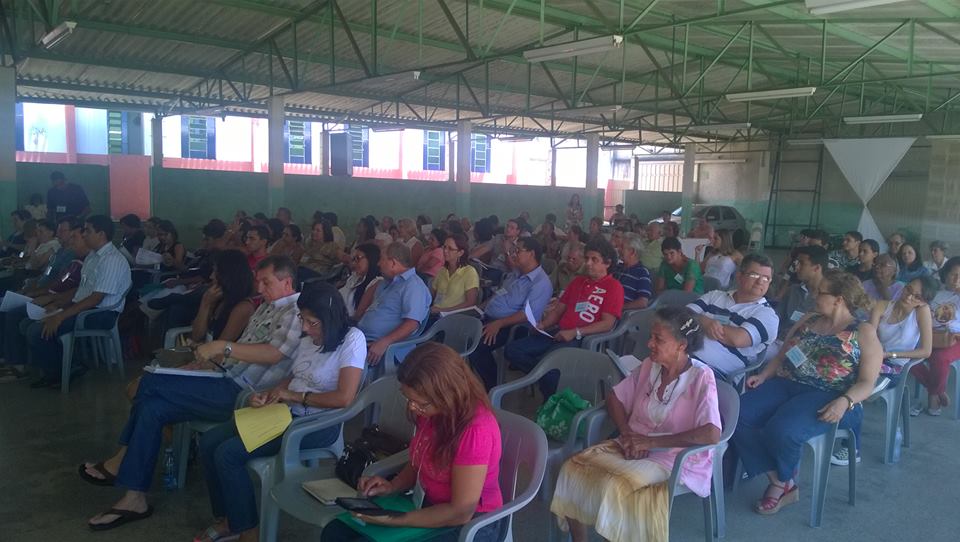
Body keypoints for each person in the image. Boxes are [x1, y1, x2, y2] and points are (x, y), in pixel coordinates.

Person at [80, 256, 303, 530]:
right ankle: (134, 497)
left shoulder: (295, 312)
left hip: (244, 393)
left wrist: (222, 347)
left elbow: (274, 353)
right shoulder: (267, 307)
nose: (259, 288)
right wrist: (210, 363)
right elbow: (245, 349)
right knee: (152, 408)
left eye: (266, 282)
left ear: (287, 282)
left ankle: (120, 461)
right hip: (225, 377)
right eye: (258, 281)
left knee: (149, 383)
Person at [197, 283, 365, 542]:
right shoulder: (309, 338)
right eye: (302, 319)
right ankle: (228, 517)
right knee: (209, 441)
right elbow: (296, 376)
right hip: (285, 413)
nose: (305, 328)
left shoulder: (353, 339)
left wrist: (295, 397)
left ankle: (248, 530)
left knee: (228, 454)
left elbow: (345, 398)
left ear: (330, 319)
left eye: (312, 322)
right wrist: (272, 393)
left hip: (316, 424)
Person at [550, 306, 720, 542]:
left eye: (658, 339)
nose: (650, 343)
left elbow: (711, 434)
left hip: (673, 457)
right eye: (651, 336)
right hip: (633, 442)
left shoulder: (702, 377)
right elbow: (615, 397)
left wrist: (650, 443)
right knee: (572, 468)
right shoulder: (651, 365)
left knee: (616, 485)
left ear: (681, 345)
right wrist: (628, 434)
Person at [319, 342, 503, 542]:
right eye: (408, 399)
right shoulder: (432, 412)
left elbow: (461, 512)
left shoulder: (475, 431)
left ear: (448, 394)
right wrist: (393, 485)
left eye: (420, 403)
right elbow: (419, 460)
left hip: (471, 523)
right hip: (427, 503)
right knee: (334, 532)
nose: (413, 408)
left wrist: (394, 519)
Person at [732, 270, 881, 515]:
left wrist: (845, 401)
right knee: (735, 415)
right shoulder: (810, 319)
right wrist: (765, 374)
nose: (814, 296)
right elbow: (783, 352)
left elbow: (867, 382)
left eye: (821, 292)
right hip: (786, 383)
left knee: (783, 430)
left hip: (830, 394)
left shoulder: (863, 332)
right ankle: (781, 480)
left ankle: (780, 483)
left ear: (838, 299)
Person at [503, 238, 624, 399]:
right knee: (512, 350)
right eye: (587, 258)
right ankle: (548, 379)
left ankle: (550, 388)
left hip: (581, 340)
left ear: (607, 263)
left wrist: (575, 332)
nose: (588, 263)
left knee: (550, 366)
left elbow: (608, 323)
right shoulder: (578, 282)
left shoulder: (613, 287)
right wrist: (543, 325)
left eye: (594, 260)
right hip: (558, 332)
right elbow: (559, 310)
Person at [23, 215, 131, 387]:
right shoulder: (92, 256)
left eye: (88, 231)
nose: (84, 234)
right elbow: (81, 290)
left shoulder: (111, 259)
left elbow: (95, 298)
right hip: (83, 308)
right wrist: (58, 305)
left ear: (101, 234)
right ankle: (68, 365)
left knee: (37, 331)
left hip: (100, 314)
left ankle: (63, 371)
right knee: (28, 323)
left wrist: (60, 316)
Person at [0, 218, 86, 382]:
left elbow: (62, 285)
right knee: (7, 308)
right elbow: (49, 275)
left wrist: (45, 296)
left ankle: (19, 363)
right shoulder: (60, 252)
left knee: (15, 315)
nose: (60, 234)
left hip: (55, 299)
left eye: (64, 231)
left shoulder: (72, 256)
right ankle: (10, 357)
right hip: (46, 293)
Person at [468, 237, 552, 391]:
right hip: (488, 316)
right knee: (461, 332)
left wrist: (499, 324)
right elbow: (498, 294)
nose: (513, 254)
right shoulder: (515, 273)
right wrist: (479, 309)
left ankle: (492, 388)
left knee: (476, 347)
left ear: (532, 254)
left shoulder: (541, 283)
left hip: (512, 326)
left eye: (518, 251)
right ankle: (464, 382)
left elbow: (527, 315)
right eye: (514, 250)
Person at [685, 254, 778, 382]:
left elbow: (737, 339)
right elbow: (682, 315)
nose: (760, 281)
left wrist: (699, 321)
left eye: (766, 278)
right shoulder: (715, 295)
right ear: (739, 276)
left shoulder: (768, 315)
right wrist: (705, 322)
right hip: (684, 353)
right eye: (754, 275)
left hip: (716, 371)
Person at [357, 242, 431, 365]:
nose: (378, 263)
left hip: (383, 349)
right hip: (363, 340)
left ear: (393, 263)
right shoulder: (385, 282)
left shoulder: (413, 286)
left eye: (381, 259)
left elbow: (412, 324)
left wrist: (385, 342)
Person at [910, 257, 960, 415]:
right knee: (907, 354)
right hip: (931, 336)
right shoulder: (937, 294)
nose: (957, 280)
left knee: (939, 358)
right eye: (953, 274)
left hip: (955, 339)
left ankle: (933, 396)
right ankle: (938, 391)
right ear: (946, 274)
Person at [190, 250, 257, 344]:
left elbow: (221, 348)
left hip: (217, 352)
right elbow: (196, 335)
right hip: (206, 348)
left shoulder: (243, 307)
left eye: (215, 271)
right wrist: (205, 304)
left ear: (227, 275)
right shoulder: (219, 298)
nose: (211, 276)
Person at [775, 246, 827, 341]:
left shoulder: (830, 298)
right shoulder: (792, 290)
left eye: (802, 263)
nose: (796, 268)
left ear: (816, 268)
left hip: (810, 344)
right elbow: (776, 317)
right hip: (781, 341)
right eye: (796, 263)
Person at [430, 232, 479, 315]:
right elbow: (431, 295)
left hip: (454, 316)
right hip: (435, 313)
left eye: (450, 249)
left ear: (460, 253)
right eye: (444, 247)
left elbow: (470, 303)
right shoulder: (442, 270)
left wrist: (443, 310)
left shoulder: (469, 272)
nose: (445, 251)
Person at [339, 243, 383, 321]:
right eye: (353, 259)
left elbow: (359, 315)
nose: (354, 263)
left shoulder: (376, 282)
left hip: (347, 321)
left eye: (358, 258)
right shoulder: (354, 278)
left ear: (371, 259)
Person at [617, 233, 652, 311]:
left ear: (632, 252)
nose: (618, 249)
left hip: (622, 314)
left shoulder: (642, 272)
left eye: (622, 247)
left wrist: (618, 308)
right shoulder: (617, 268)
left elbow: (642, 302)